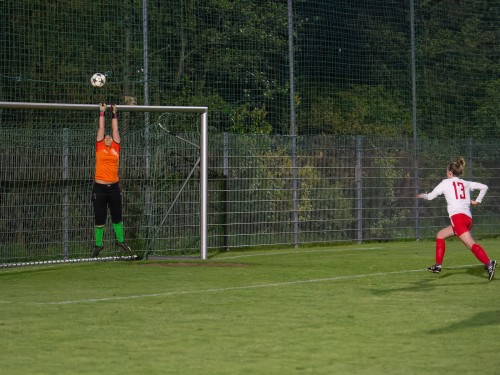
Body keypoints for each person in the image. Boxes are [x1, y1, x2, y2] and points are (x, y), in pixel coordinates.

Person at [416, 157, 496, 280]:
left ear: (450, 172)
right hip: (468, 219)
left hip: (458, 218)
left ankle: (489, 263)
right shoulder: (465, 183)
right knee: (440, 235)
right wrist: (477, 201)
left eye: (446, 170)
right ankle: (437, 266)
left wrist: (422, 195)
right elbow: (484, 187)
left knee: (471, 245)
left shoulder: (445, 182)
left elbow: (430, 197)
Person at [92, 103, 132, 257]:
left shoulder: (116, 148)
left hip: (114, 188)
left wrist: (114, 112)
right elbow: (101, 129)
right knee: (100, 217)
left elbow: (115, 129)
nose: (108, 137)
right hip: (100, 188)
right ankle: (98, 245)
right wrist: (102, 112)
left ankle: (120, 240)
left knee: (117, 216)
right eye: (106, 137)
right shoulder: (100, 147)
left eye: (109, 137)